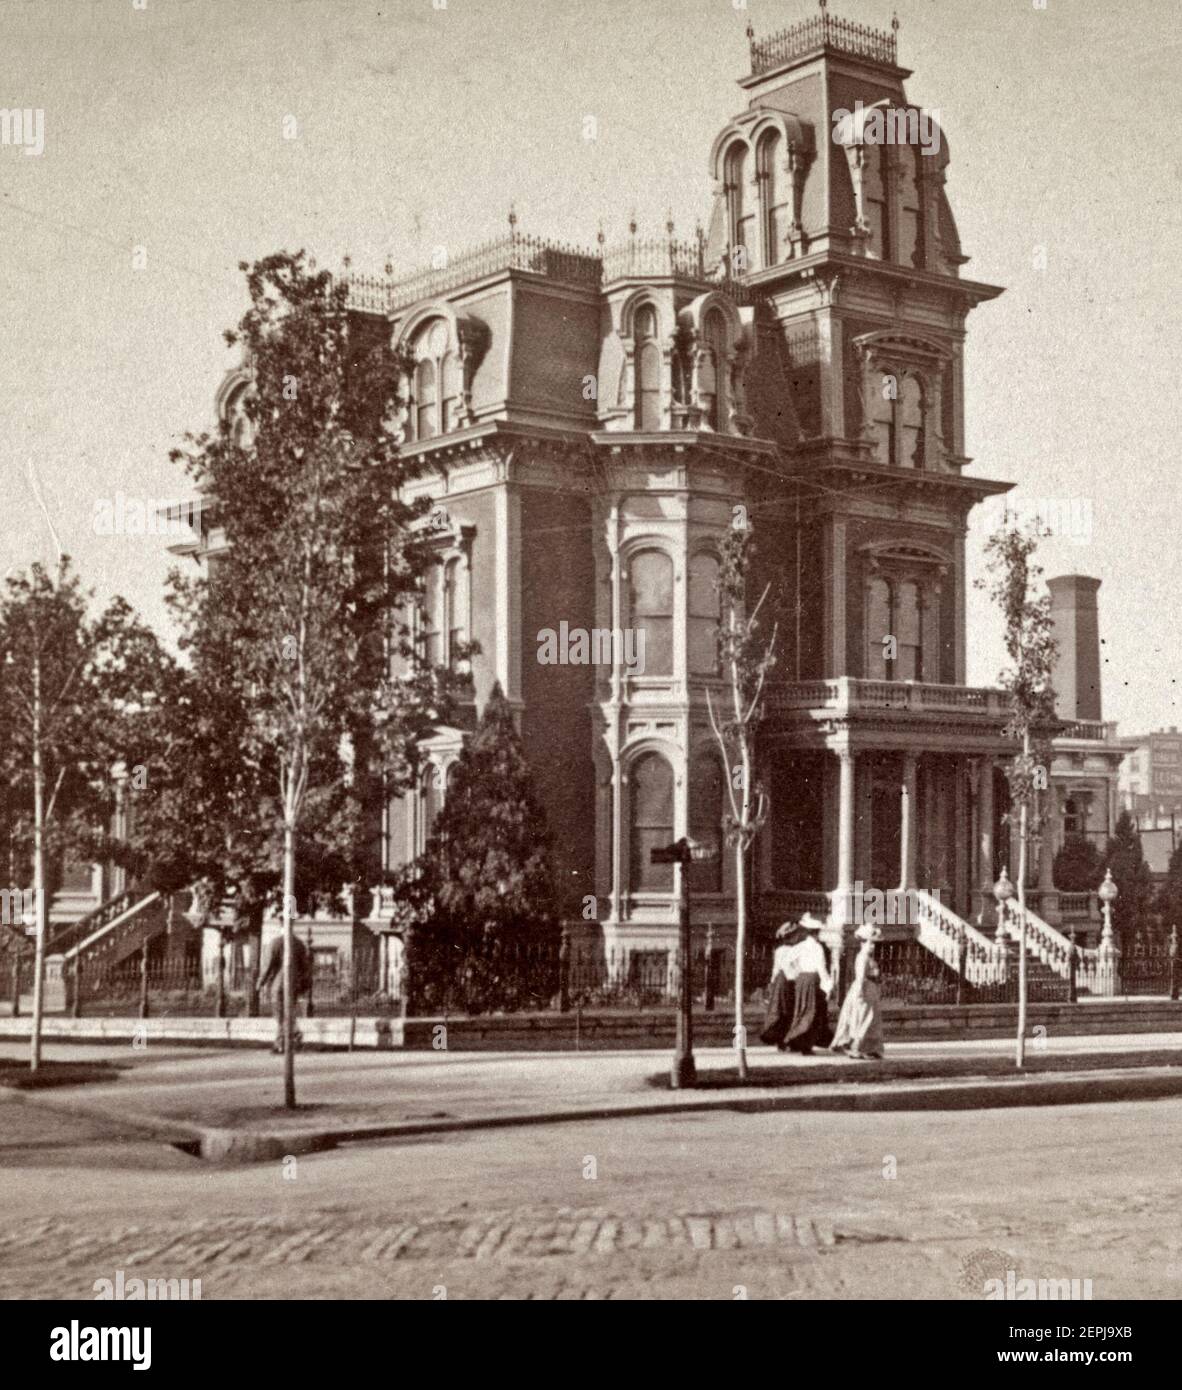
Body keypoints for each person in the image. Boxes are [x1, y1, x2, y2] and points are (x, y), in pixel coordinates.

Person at [830, 923, 884, 1060]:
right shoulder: (862, 957)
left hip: (871, 989)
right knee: (863, 1018)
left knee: (870, 1018)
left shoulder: (868, 957)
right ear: (862, 943)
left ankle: (871, 1048)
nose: (872, 946)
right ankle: (857, 1047)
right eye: (868, 943)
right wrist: (860, 992)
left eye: (873, 944)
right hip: (864, 988)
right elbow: (860, 977)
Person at [258, 932, 313, 1055]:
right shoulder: (299, 943)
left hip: (278, 985)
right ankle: (284, 1043)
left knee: (280, 1015)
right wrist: (304, 983)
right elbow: (305, 967)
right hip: (293, 985)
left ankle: (290, 1037)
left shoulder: (276, 942)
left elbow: (268, 964)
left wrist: (260, 982)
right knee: (288, 1013)